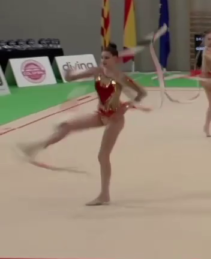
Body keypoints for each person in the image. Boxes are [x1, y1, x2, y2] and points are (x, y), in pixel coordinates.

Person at [17, 44, 149, 206]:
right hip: (100, 115)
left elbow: (142, 93)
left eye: (107, 58)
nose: (103, 60)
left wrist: (128, 105)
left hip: (114, 120)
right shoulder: (96, 71)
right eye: (102, 57)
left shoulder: (121, 77)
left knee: (102, 156)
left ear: (115, 59)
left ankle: (104, 195)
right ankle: (35, 147)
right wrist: (70, 74)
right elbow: (71, 77)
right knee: (66, 126)